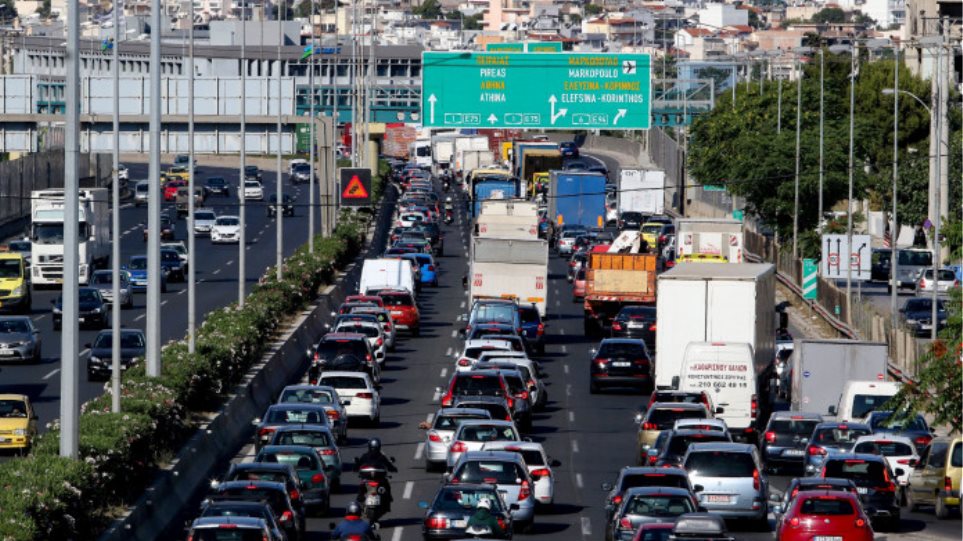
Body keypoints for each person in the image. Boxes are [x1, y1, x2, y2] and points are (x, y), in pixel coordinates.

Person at [356, 438, 397, 512]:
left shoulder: (365, 456)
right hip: (377, 478)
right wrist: (394, 469)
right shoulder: (381, 456)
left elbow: (358, 465)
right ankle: (388, 499)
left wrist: (355, 468)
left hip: (370, 478)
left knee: (362, 486)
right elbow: (389, 465)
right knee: (386, 485)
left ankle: (361, 497)